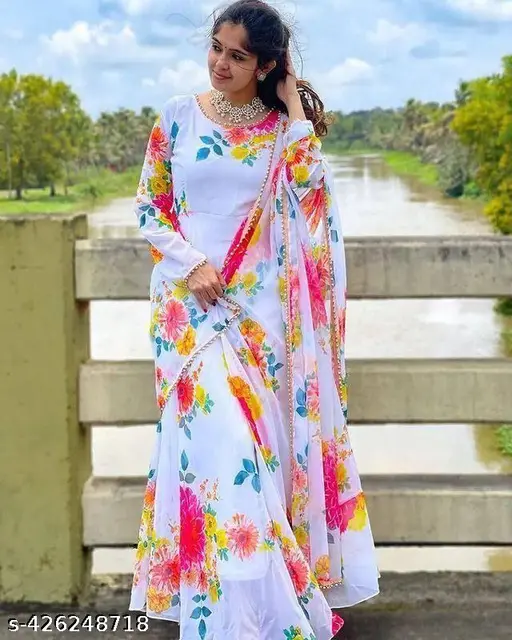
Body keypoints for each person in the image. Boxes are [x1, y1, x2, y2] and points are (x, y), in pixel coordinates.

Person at [128, 1, 379, 637]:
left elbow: (312, 195)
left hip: (261, 317)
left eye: (238, 56)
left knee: (253, 466)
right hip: (190, 313)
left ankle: (255, 615)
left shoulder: (279, 133)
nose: (220, 63)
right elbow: (150, 206)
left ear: (266, 65)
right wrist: (191, 264)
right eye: (216, 47)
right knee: (218, 451)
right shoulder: (177, 117)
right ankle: (223, 616)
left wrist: (293, 109)